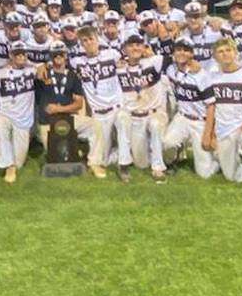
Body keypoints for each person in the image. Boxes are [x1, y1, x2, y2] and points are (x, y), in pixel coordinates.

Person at [201, 38, 242, 200]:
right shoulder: (212, 78)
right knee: (231, 176)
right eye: (220, 52)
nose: (225, 54)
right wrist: (210, 134)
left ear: (235, 53)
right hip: (224, 130)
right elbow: (211, 108)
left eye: (228, 50)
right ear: (215, 57)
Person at [73, 25, 133, 177]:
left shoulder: (111, 54)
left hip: (117, 107)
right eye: (84, 41)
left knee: (123, 119)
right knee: (103, 160)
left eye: (91, 39)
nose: (88, 43)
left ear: (97, 39)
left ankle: (124, 164)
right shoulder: (77, 62)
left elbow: (132, 58)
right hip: (98, 113)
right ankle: (120, 153)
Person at [34, 41, 104, 168]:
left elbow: (78, 104)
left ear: (66, 55)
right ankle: (75, 150)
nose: (58, 56)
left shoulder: (73, 76)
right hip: (47, 123)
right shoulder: (42, 74)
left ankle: (95, 163)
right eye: (55, 54)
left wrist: (59, 109)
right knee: (58, 158)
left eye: (61, 54)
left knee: (95, 125)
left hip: (68, 119)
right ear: (50, 56)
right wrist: (40, 66)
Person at [116, 34, 169, 183]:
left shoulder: (153, 62)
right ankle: (124, 163)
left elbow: (173, 57)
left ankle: (158, 168)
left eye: (139, 45)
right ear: (124, 49)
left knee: (155, 124)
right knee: (141, 163)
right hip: (134, 117)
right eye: (131, 45)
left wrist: (152, 52)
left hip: (154, 113)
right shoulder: (119, 68)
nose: (135, 48)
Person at [163, 38, 217, 178]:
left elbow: (211, 106)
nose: (182, 53)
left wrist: (208, 134)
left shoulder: (201, 75)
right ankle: (171, 162)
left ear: (192, 54)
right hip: (182, 117)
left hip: (200, 121)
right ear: (174, 52)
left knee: (205, 174)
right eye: (179, 49)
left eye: (186, 50)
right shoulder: (170, 69)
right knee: (167, 143)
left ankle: (222, 159)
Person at [0, 41, 37, 183]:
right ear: (10, 55)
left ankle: (9, 162)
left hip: (23, 120)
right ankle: (8, 166)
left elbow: (44, 68)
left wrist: (35, 64)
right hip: (5, 113)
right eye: (17, 53)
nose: (20, 56)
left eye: (23, 53)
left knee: (19, 162)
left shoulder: (32, 71)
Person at [180, 2, 222, 71]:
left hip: (212, 73)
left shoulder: (214, 31)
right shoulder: (182, 34)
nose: (193, 20)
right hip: (191, 74)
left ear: (202, 17)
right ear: (185, 18)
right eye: (189, 17)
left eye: (196, 16)